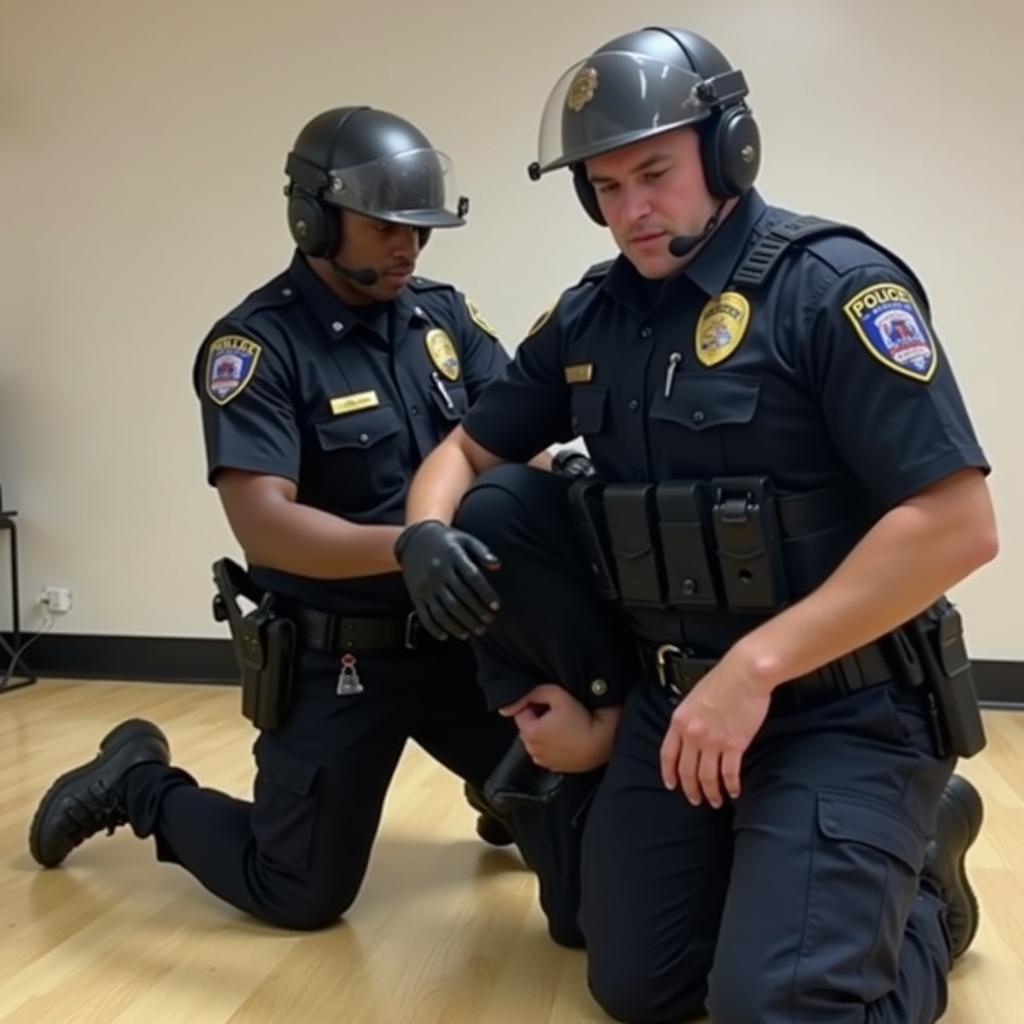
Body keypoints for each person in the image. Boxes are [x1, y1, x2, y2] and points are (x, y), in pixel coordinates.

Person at [395, 28, 997, 1023]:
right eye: (603, 186)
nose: (628, 209)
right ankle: (798, 889)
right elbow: (465, 453)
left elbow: (956, 524)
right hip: (681, 711)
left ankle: (924, 886)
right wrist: (421, 532)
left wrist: (753, 668)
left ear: (728, 150)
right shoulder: (590, 319)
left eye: (654, 173)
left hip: (840, 711)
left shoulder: (832, 289)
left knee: (777, 1011)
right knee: (639, 986)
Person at [28, 106, 583, 942]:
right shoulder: (257, 347)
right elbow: (266, 526)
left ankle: (495, 787)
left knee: (585, 830)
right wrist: (408, 543)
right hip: (344, 657)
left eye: (421, 231)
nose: (408, 249)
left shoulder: (442, 318)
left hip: (462, 640)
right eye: (385, 227)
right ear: (313, 217)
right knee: (297, 892)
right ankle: (139, 782)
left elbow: (496, 445)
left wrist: (571, 476)